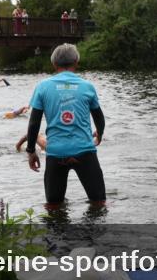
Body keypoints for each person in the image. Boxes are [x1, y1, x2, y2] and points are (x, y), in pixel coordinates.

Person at [24, 43, 106, 209]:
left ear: (54, 64)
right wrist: (100, 134)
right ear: (76, 62)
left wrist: (31, 151)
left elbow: (34, 123)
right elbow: (99, 118)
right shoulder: (87, 87)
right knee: (99, 203)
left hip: (56, 153)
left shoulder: (43, 87)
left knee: (54, 206)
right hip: (84, 151)